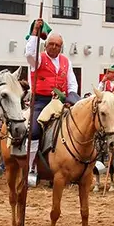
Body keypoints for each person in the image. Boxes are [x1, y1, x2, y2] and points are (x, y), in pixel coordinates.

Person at [25, 20, 80, 184]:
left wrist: (71, 97)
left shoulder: (66, 61)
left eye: (57, 45)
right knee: (34, 130)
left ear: (61, 47)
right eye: (51, 44)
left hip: (62, 101)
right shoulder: (38, 59)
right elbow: (29, 53)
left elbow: (72, 83)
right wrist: (35, 32)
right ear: (45, 45)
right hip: (41, 101)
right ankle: (30, 168)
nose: (54, 47)